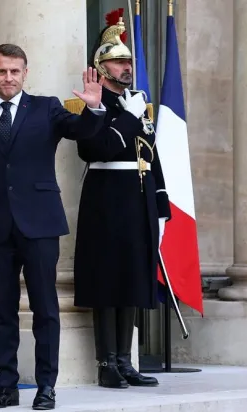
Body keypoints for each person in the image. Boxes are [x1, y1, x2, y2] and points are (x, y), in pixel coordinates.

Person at [0, 44, 106, 410]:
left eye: (15, 71)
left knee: (45, 308)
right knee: (2, 310)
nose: (8, 78)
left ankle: (46, 386)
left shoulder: (47, 107)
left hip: (39, 223)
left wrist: (94, 107)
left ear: (25, 73)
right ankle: (7, 386)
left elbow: (80, 130)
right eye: (1, 71)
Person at [72, 9, 169, 389]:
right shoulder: (91, 106)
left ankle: (126, 360)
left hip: (137, 199)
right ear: (101, 66)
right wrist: (126, 118)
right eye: (117, 60)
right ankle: (106, 362)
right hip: (107, 199)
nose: (126, 65)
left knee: (132, 279)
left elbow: (150, 154)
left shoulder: (136, 102)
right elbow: (96, 149)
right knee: (107, 281)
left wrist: (160, 204)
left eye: (128, 59)